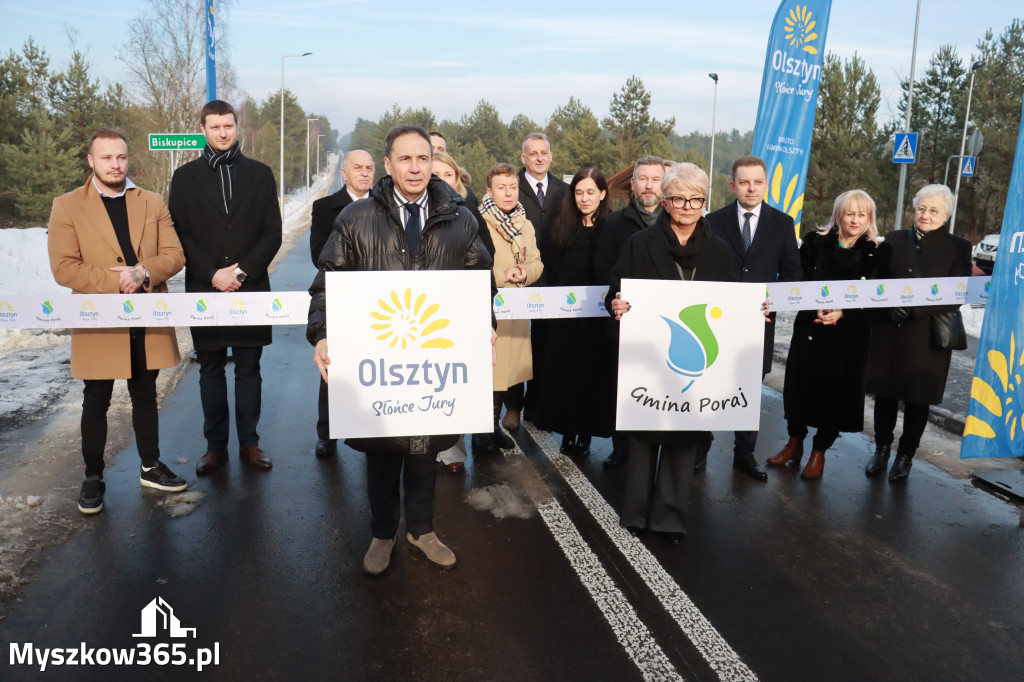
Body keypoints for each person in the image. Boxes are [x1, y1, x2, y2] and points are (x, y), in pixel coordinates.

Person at [307, 125, 493, 576]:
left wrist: (486, 322)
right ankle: (383, 532)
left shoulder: (461, 219)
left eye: (422, 159)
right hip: (382, 357)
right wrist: (322, 333)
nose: (415, 167)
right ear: (387, 166)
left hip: (433, 359)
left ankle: (423, 529)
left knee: (424, 449)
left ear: (433, 163)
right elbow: (326, 282)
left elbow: (481, 283)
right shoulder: (357, 218)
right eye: (404, 159)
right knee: (384, 450)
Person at [48, 128, 188, 514]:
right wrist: (117, 280)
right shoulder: (67, 205)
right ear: (91, 161)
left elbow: (175, 255)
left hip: (146, 308)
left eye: (121, 157)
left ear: (128, 159)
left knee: (145, 393)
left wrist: (143, 272)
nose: (115, 164)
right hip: (100, 317)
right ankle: (93, 477)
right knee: (96, 399)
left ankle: (150, 466)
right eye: (106, 157)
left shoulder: (153, 201)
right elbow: (64, 268)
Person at [606, 162, 737, 543]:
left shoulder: (720, 251)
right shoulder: (639, 244)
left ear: (704, 202)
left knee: (682, 440)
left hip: (697, 362)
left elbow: (731, 303)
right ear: (664, 202)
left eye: (695, 199)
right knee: (645, 438)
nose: (686, 206)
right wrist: (615, 303)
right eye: (678, 198)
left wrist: (752, 312)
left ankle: (669, 518)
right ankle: (636, 514)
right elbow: (614, 290)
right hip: (649, 359)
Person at [168, 100, 282, 474]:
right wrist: (211, 274)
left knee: (250, 369)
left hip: (250, 289)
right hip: (205, 290)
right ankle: (215, 447)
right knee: (210, 369)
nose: (222, 132)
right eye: (214, 126)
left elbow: (272, 232)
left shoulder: (261, 174)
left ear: (237, 127)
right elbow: (180, 234)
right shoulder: (184, 179)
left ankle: (250, 444)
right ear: (203, 129)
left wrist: (242, 273)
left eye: (228, 126)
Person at [769, 190, 890, 479]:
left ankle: (818, 453)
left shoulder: (879, 253)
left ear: (870, 218)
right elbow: (794, 281)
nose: (855, 220)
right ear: (839, 214)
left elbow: (881, 299)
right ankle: (794, 443)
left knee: (834, 398)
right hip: (809, 331)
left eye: (862, 214)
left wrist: (844, 313)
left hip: (848, 340)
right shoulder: (814, 242)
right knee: (798, 391)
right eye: (850, 213)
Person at [698, 156, 802, 480]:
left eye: (757, 182)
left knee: (747, 393)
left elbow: (793, 274)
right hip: (716, 323)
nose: (751, 188)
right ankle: (699, 451)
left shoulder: (782, 223)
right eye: (744, 182)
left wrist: (772, 301)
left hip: (759, 325)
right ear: (733, 185)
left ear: (765, 184)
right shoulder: (712, 221)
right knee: (710, 388)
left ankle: (744, 456)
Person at [865, 184, 972, 482]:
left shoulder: (958, 247)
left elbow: (956, 293)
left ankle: (905, 456)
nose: (926, 215)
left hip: (927, 337)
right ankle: (882, 450)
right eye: (922, 208)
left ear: (946, 215)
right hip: (889, 331)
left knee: (917, 400)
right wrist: (885, 307)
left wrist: (914, 311)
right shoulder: (895, 240)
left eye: (934, 210)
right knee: (884, 396)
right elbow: (876, 282)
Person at [538, 167, 615, 457]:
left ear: (602, 194)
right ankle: (568, 431)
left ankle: (586, 433)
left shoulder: (612, 227)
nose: (584, 198)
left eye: (590, 192)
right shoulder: (561, 225)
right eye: (579, 192)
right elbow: (554, 268)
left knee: (593, 376)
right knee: (567, 375)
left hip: (598, 319)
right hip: (567, 317)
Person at [594, 156, 665, 469]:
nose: (649, 185)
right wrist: (622, 297)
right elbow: (603, 267)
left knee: (661, 386)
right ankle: (620, 448)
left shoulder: (676, 221)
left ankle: (662, 447)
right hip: (623, 322)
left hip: (665, 324)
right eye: (643, 179)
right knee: (620, 389)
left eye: (655, 179)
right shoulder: (612, 223)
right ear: (632, 184)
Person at [308, 149, 374, 458]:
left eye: (369, 168)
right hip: (342, 298)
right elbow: (318, 255)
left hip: (378, 298)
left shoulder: (385, 205)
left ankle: (374, 426)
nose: (364, 172)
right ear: (344, 174)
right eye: (357, 168)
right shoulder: (325, 207)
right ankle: (328, 433)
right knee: (334, 366)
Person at [476, 163, 543, 454]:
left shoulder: (525, 224)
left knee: (505, 374)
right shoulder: (477, 222)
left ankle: (492, 429)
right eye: (501, 187)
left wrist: (525, 273)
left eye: (512, 187)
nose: (508, 193)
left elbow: (537, 262)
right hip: (488, 307)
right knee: (488, 371)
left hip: (517, 309)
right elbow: (473, 269)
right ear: (489, 191)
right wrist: (505, 274)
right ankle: (482, 433)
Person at [430, 151, 490, 473]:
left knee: (450, 386)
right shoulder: (412, 213)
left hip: (458, 312)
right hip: (421, 313)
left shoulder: (469, 214)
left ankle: (453, 452)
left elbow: (485, 263)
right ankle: (422, 451)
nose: (441, 180)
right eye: (434, 174)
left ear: (459, 178)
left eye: (447, 174)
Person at [517, 133, 569, 425]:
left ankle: (538, 403)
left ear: (550, 156)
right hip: (518, 278)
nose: (539, 157)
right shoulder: (512, 186)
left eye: (543, 153)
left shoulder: (565, 190)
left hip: (554, 279)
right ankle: (513, 404)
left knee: (545, 344)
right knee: (515, 342)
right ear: (523, 158)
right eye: (532, 153)